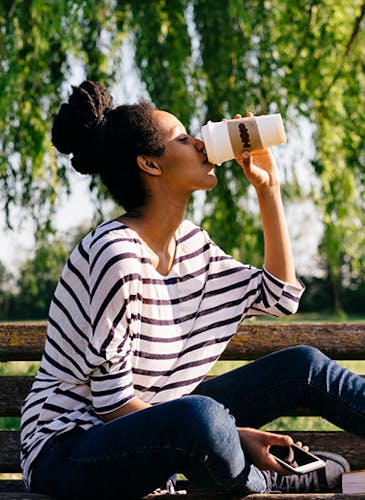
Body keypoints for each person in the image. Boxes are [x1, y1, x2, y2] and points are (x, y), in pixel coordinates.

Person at [20, 80, 364, 499]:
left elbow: (279, 295)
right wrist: (232, 435)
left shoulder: (193, 245)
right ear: (150, 164)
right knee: (201, 417)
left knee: (302, 366)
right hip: (70, 451)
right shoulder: (113, 255)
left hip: (162, 425)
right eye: (183, 138)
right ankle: (274, 481)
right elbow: (111, 405)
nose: (202, 143)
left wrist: (268, 189)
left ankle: (232, 451)